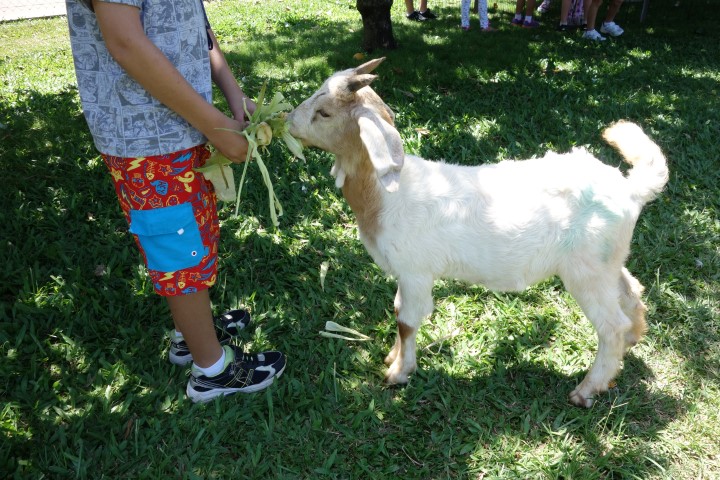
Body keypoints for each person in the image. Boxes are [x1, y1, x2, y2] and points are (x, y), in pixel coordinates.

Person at [65, 0, 287, 403]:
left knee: (193, 237)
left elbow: (197, 25)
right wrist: (213, 126)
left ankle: (191, 335)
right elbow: (124, 40)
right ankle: (211, 371)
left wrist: (232, 97)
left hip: (181, 127)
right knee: (177, 249)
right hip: (146, 136)